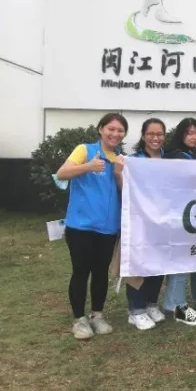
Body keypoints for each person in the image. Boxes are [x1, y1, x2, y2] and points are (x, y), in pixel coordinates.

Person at [57, 113, 128, 339]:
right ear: (100, 129)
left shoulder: (121, 159)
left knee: (100, 273)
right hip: (81, 226)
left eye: (120, 130)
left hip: (108, 228)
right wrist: (88, 166)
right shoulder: (84, 150)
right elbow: (61, 173)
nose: (115, 134)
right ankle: (79, 320)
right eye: (111, 129)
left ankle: (97, 315)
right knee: (81, 271)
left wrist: (118, 173)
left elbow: (126, 192)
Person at [161, 118, 196, 327]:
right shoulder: (175, 156)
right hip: (179, 216)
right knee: (180, 259)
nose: (194, 137)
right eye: (189, 133)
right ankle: (176, 305)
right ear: (181, 135)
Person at [125, 118, 167, 331]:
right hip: (139, 221)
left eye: (159, 134)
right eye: (151, 134)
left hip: (163, 221)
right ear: (143, 136)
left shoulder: (170, 160)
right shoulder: (134, 160)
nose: (155, 138)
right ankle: (136, 310)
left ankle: (151, 303)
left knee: (159, 263)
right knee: (138, 264)